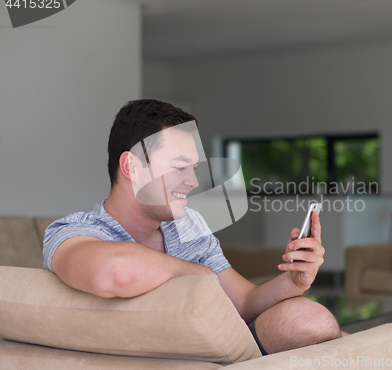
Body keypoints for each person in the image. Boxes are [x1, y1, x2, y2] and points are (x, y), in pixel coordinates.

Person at [43, 99, 341, 355]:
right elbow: (116, 272)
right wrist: (201, 274)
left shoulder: (187, 225)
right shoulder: (74, 231)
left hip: (208, 352)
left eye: (193, 168)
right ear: (132, 167)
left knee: (310, 320)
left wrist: (293, 283)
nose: (193, 182)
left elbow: (245, 302)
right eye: (179, 167)